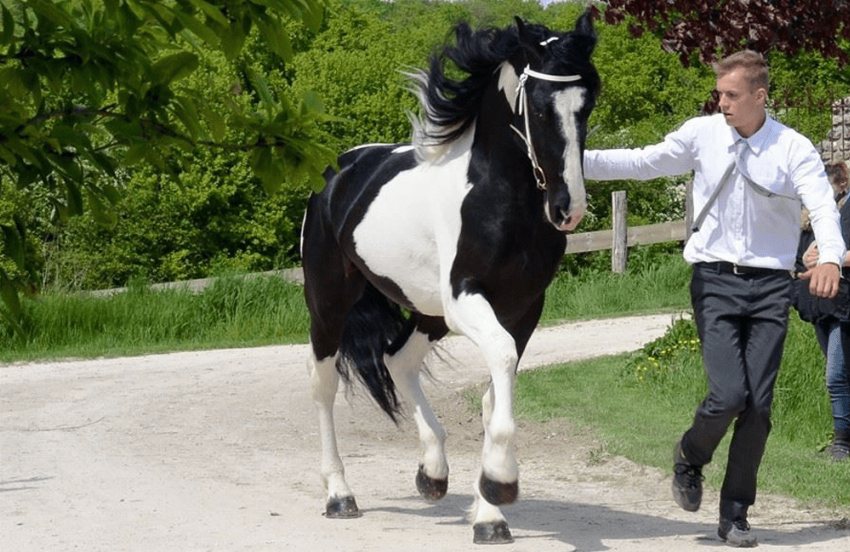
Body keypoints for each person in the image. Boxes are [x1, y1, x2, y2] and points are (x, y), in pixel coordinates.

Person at [583, 50, 845, 547]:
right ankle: (689, 455)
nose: (720, 102)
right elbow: (643, 162)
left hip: (770, 286)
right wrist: (570, 157)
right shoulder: (701, 134)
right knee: (728, 395)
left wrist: (829, 255)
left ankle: (734, 514)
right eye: (718, 94)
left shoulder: (793, 148)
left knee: (760, 407)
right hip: (715, 281)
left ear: (759, 96)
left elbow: (821, 205)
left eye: (730, 95)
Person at [792, 160, 850, 462]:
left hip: (844, 303)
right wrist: (806, 261)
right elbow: (801, 261)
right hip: (820, 304)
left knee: (836, 375)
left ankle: (842, 442)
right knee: (839, 372)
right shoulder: (812, 219)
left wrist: (832, 258)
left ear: (840, 185)